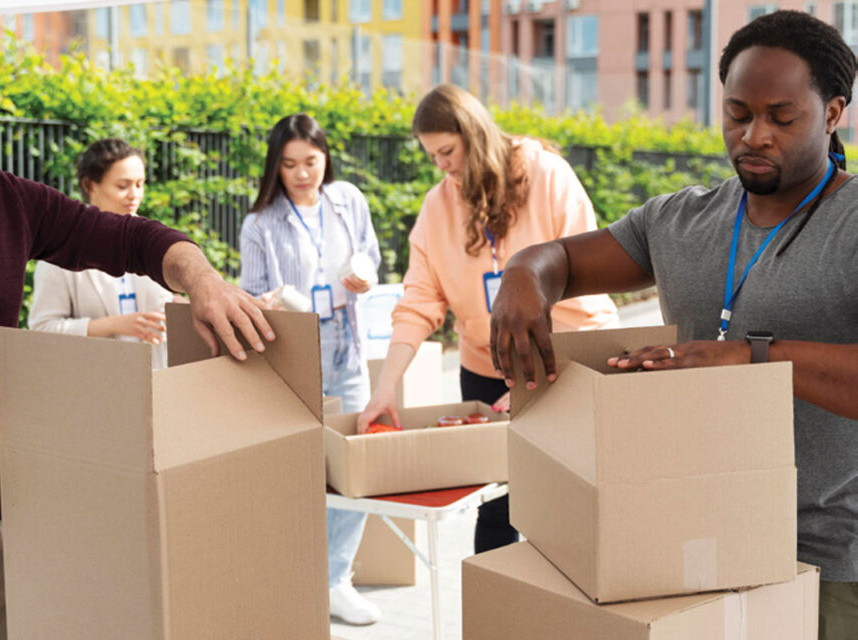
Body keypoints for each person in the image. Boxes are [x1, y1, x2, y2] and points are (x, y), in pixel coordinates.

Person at [0, 5, 272, 639]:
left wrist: (202, 280)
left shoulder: (4, 200)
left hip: (19, 516)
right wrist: (18, 410)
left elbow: (132, 240)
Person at [488, 11, 857, 640]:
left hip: (823, 561)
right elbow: (563, 260)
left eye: (781, 116)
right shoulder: (679, 220)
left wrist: (752, 357)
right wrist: (524, 273)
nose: (755, 135)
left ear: (833, 113)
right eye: (738, 113)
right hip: (688, 540)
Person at [356, 84, 618, 554]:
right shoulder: (437, 207)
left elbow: (584, 284)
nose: (441, 165)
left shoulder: (547, 176)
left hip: (561, 366)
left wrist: (531, 378)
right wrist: (385, 387)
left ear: (473, 134)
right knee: (494, 503)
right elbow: (418, 302)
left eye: (447, 151)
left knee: (561, 498)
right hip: (484, 370)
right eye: (431, 155)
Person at [239, 113, 382, 626]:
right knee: (301, 467)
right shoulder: (260, 224)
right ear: (275, 166)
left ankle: (335, 580)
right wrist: (273, 300)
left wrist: (364, 272)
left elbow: (369, 252)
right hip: (298, 350)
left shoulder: (347, 200)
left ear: (326, 158)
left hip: (347, 345)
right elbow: (252, 292)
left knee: (355, 460)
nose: (302, 174)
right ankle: (296, 577)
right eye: (291, 164)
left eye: (312, 162)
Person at [29, 139, 176, 369]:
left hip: (155, 380)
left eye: (140, 184)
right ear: (91, 186)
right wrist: (113, 325)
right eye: (123, 186)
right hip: (94, 385)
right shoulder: (60, 246)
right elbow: (42, 329)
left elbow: (164, 304)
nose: (134, 195)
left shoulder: (152, 240)